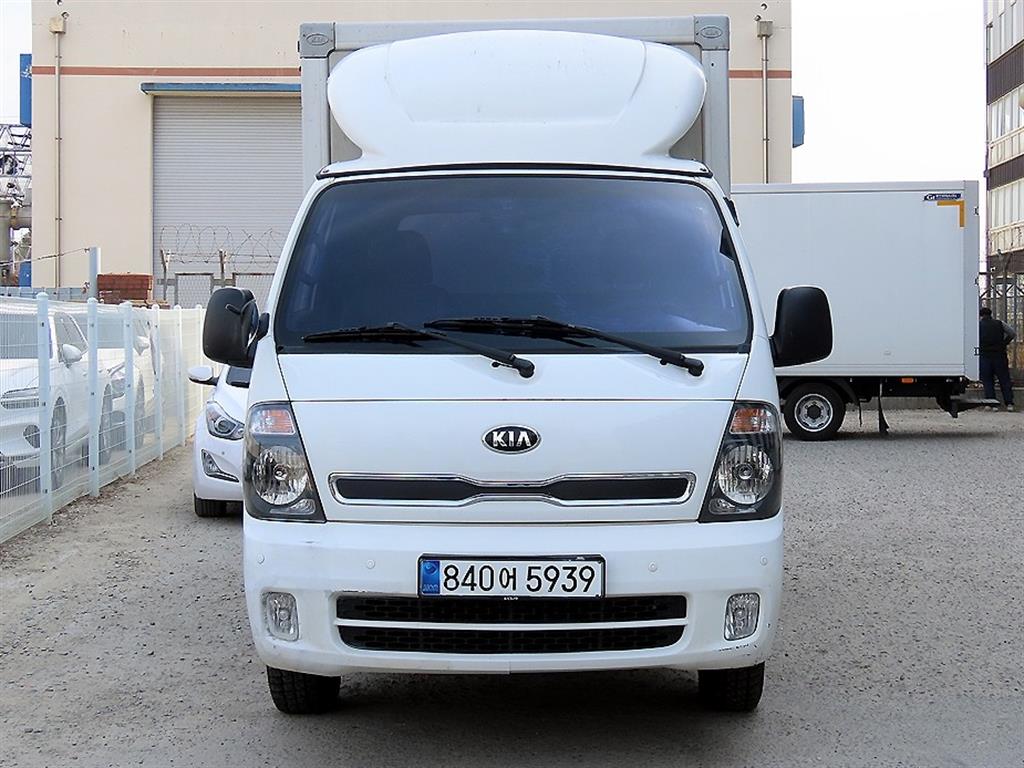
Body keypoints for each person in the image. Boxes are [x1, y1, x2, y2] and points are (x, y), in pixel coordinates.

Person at [979, 306, 1016, 411]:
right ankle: (1009, 404)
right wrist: (1004, 343)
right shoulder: (1000, 323)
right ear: (990, 314)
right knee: (1004, 379)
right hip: (1000, 355)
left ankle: (992, 404)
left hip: (985, 355)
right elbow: (1012, 333)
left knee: (988, 380)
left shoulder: (978, 325)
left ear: (981, 315)